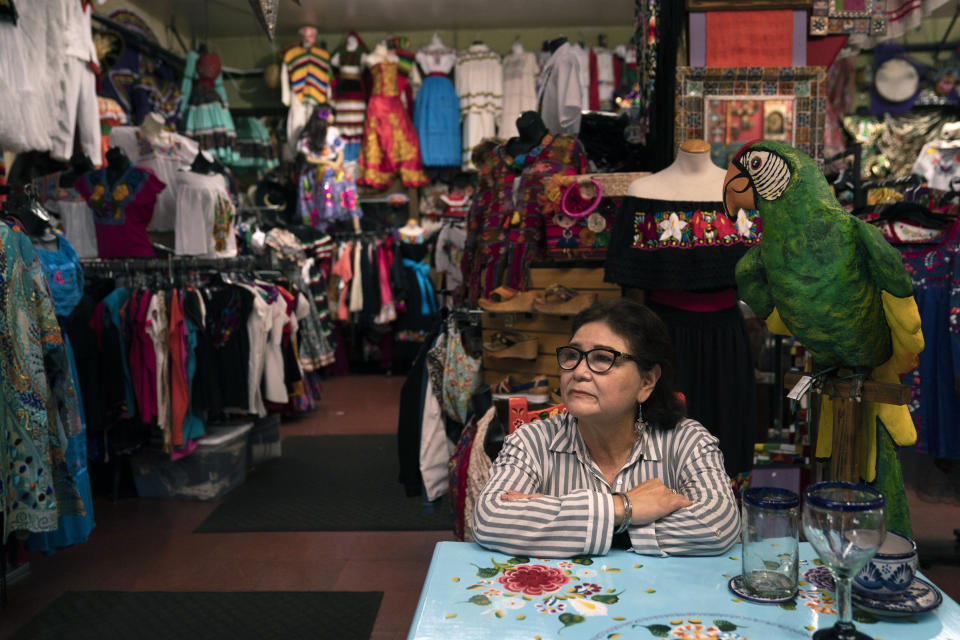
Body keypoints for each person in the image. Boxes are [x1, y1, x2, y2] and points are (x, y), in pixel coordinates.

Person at [473, 298, 740, 557]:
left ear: (647, 381)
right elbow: (489, 518)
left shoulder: (686, 440)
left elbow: (719, 524)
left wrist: (587, 527)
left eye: (602, 358)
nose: (578, 371)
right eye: (572, 355)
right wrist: (623, 508)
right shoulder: (532, 440)